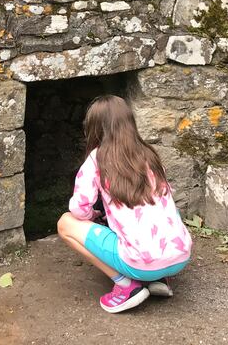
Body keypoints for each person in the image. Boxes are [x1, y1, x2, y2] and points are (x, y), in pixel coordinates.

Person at [58, 95, 193, 313]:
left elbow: (78, 209)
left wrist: (94, 216)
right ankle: (159, 280)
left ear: (94, 128)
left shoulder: (97, 158)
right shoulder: (149, 154)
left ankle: (126, 285)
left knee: (66, 223)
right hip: (180, 257)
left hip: (141, 264)